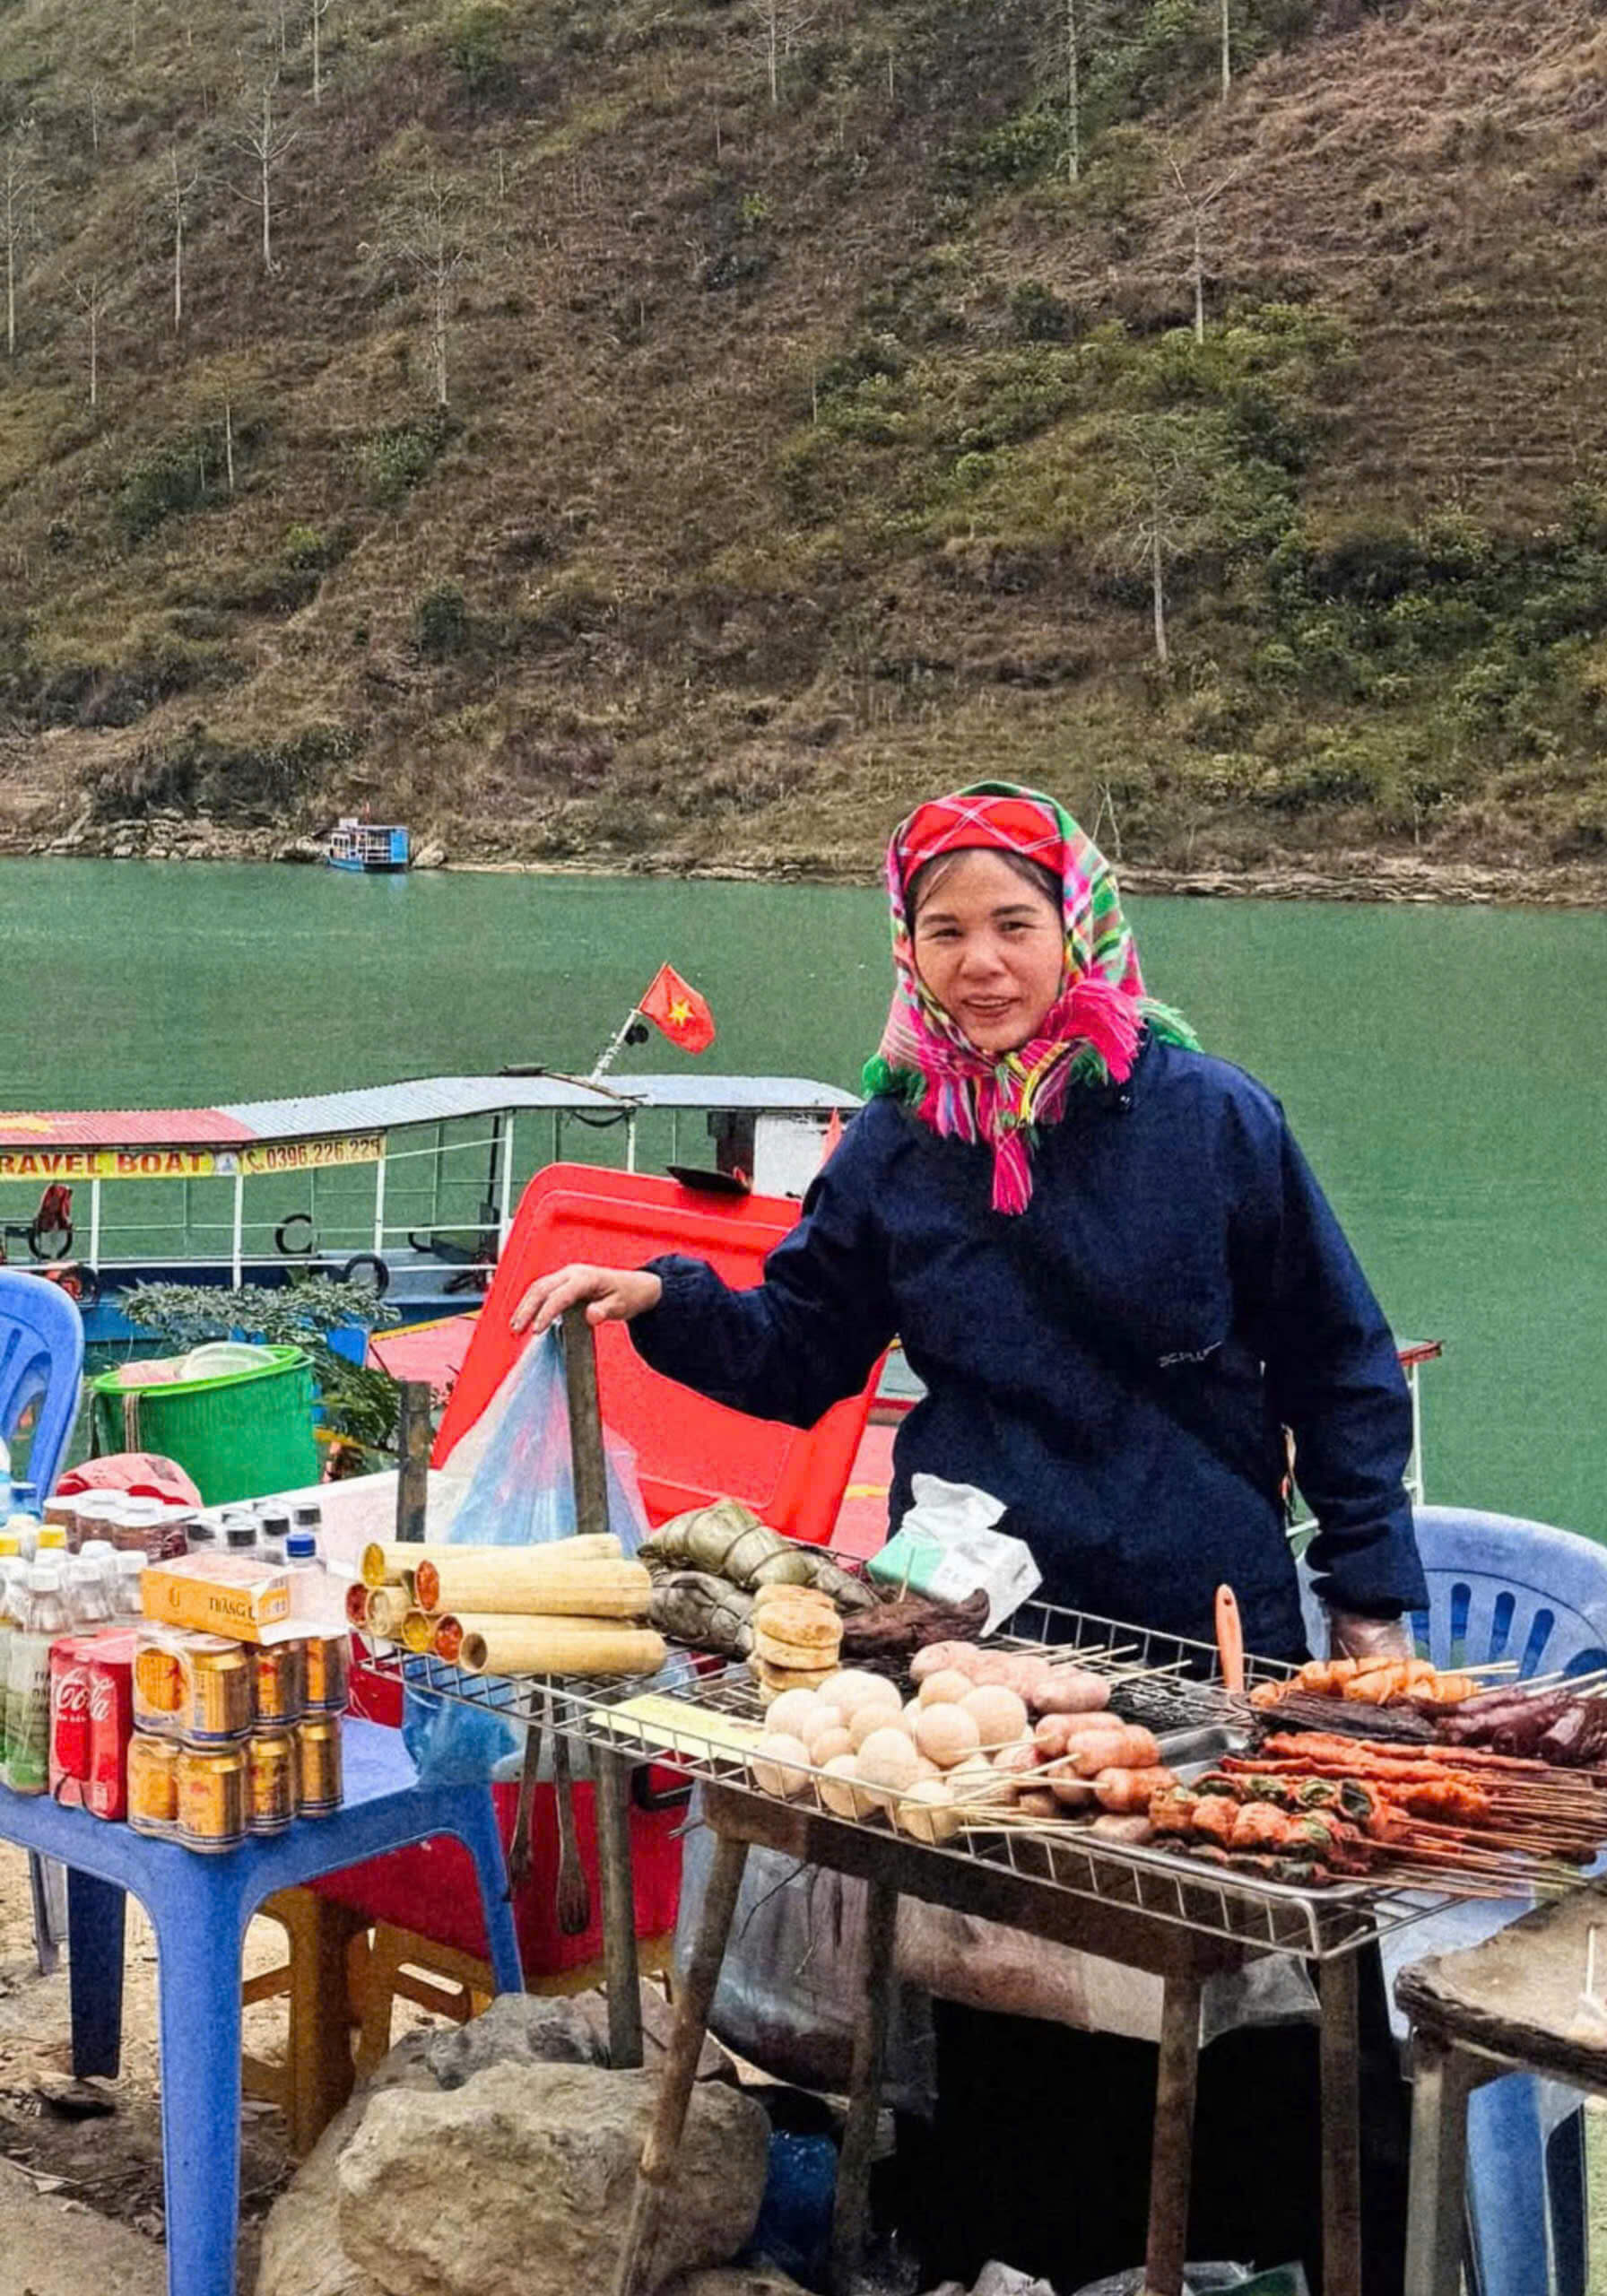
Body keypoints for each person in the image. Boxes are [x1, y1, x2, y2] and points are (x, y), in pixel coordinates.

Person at [514, 780, 1426, 2288]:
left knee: (1230, 1957)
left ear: (1082, 928)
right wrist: (663, 1300)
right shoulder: (894, 1144)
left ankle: (1266, 2261)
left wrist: (1371, 1598)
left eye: (1015, 922)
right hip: (979, 1628)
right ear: (907, 948)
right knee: (1006, 1967)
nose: (982, 961)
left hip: (1202, 1617)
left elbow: (1340, 1361)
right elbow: (803, 1346)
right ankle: (1021, 2255)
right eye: (946, 930)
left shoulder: (1211, 1121)